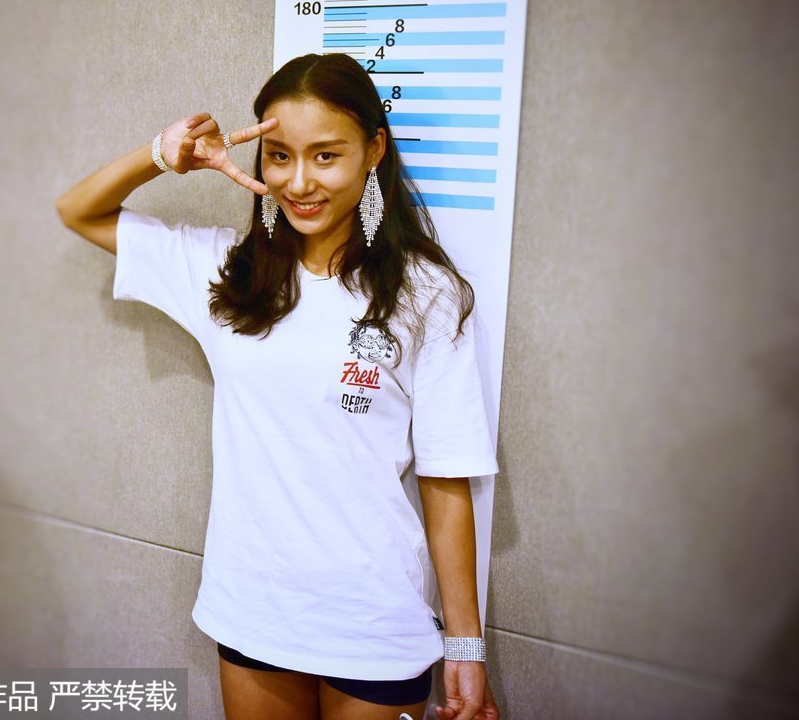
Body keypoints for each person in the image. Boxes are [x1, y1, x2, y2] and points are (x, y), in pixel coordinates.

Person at [57, 53, 501, 720]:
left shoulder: (427, 293)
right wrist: (162, 154)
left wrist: (465, 643)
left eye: (326, 156)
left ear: (374, 150)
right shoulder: (226, 273)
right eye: (280, 156)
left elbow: (446, 477)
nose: (299, 182)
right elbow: (79, 211)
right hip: (253, 610)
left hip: (374, 619)